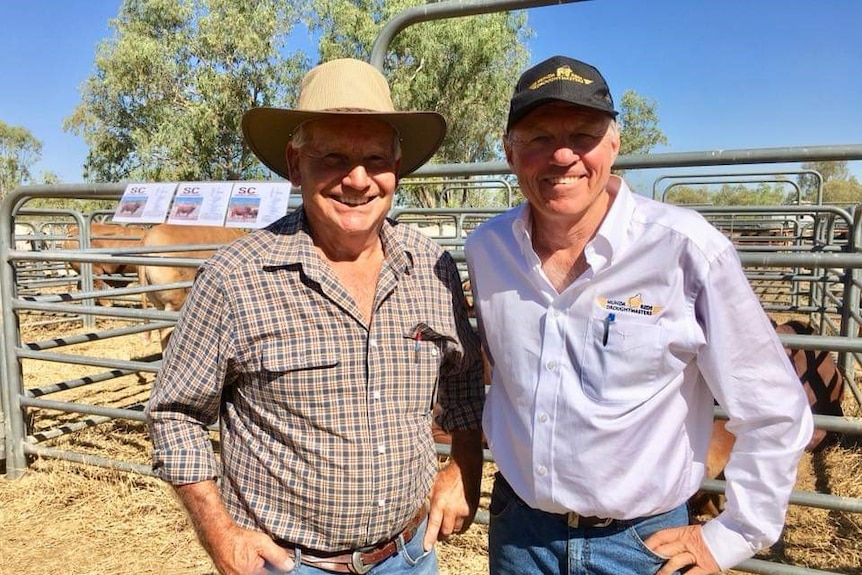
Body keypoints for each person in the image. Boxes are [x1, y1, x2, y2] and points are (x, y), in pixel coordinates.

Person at [464, 55, 814, 575]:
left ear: (614, 144)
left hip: (642, 544)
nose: (563, 154)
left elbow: (774, 407)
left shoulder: (687, 250)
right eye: (538, 136)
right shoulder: (487, 250)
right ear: (509, 151)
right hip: (519, 533)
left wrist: (735, 533)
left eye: (583, 134)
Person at [145, 58, 485, 575]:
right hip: (289, 564)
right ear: (294, 162)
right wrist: (220, 533)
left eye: (375, 158)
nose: (357, 179)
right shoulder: (235, 278)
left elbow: (463, 378)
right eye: (333, 157)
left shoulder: (430, 267)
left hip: (410, 554)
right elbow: (175, 412)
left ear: (397, 168)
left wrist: (463, 466)